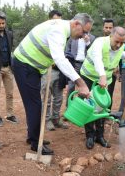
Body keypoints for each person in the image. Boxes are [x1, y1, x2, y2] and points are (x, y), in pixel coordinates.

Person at [12, 13, 93, 155]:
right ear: (76, 24)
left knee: (35, 104)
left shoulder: (62, 28)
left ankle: (33, 137)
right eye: (84, 31)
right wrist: (80, 83)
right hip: (24, 65)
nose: (84, 36)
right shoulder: (59, 30)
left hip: (31, 67)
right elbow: (59, 59)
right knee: (35, 105)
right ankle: (36, 143)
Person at [80, 27, 125, 149]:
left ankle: (100, 135)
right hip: (89, 77)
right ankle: (89, 135)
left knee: (102, 107)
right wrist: (102, 76)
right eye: (117, 42)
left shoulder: (120, 46)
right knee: (89, 106)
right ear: (111, 36)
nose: (119, 45)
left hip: (104, 80)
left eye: (122, 42)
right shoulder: (100, 42)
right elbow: (97, 59)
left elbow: (121, 54)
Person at [41, 10, 71, 131]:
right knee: (47, 97)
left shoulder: (64, 34)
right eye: (55, 20)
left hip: (59, 71)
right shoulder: (44, 33)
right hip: (47, 70)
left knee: (58, 97)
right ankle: (47, 120)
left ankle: (56, 119)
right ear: (49, 20)